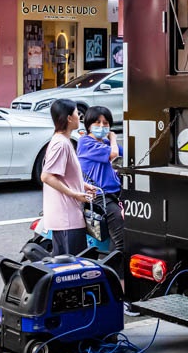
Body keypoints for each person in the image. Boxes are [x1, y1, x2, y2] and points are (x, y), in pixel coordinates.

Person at [40, 99, 97, 256]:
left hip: (66, 217)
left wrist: (83, 186)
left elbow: (63, 175)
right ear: (68, 118)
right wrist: (75, 194)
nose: (79, 116)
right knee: (72, 269)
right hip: (67, 218)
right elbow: (47, 176)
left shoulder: (63, 141)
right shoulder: (61, 144)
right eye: (76, 113)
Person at [77, 105, 125, 275]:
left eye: (106, 123)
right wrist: (113, 138)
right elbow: (114, 154)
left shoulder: (103, 143)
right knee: (121, 241)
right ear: (88, 124)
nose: (102, 126)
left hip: (114, 195)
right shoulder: (86, 142)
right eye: (97, 122)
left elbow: (125, 155)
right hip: (100, 198)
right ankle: (115, 280)